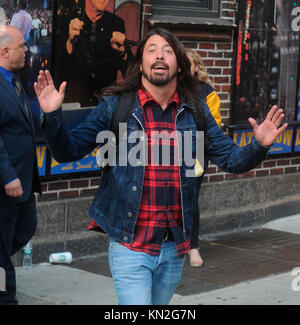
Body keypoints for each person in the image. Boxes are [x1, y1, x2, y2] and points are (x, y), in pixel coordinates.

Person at [34, 27, 287, 305]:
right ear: (140, 63)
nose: (160, 56)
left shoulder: (197, 111)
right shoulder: (114, 107)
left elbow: (231, 160)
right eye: (152, 50)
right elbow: (67, 151)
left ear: (179, 66)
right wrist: (52, 117)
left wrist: (259, 145)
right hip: (130, 243)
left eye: (168, 51)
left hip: (174, 246)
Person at [0, 25, 41, 305]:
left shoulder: (15, 81)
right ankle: (6, 296)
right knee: (1, 248)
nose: (27, 50)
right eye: (22, 46)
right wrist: (7, 176)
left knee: (26, 227)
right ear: (4, 51)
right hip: (7, 182)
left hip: (23, 180)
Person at [54, 0, 132, 107]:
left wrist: (123, 52)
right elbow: (57, 69)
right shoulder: (67, 21)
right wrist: (69, 42)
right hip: (73, 103)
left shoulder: (116, 23)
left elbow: (129, 73)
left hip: (105, 104)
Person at [185, 49, 222, 268]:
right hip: (168, 150)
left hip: (197, 150)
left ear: (196, 67)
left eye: (188, 64)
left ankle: (193, 247)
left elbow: (214, 126)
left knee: (190, 197)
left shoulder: (206, 91)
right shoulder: (168, 88)